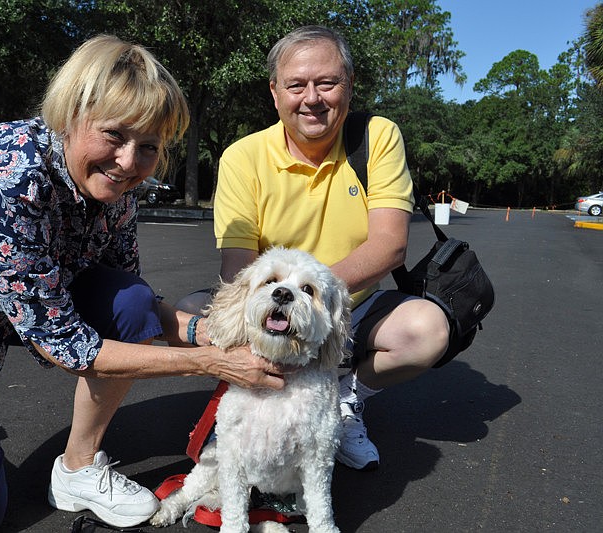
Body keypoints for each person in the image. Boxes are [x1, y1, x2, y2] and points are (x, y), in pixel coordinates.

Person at [0, 35, 288, 533]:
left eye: (148, 147)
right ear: (71, 114)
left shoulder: (117, 185)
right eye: (114, 135)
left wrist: (205, 331)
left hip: (20, 304)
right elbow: (69, 348)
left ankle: (77, 469)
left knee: (131, 303)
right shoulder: (4, 182)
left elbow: (129, 298)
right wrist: (212, 361)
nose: (127, 162)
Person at [180, 26, 450, 471]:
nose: (312, 98)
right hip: (272, 302)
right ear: (274, 92)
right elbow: (238, 268)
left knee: (428, 329)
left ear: (349, 85)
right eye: (296, 85)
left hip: (349, 305)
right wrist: (271, 318)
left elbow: (389, 246)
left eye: (327, 83)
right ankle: (256, 394)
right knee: (189, 314)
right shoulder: (242, 157)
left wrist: (310, 300)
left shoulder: (377, 137)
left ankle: (347, 399)